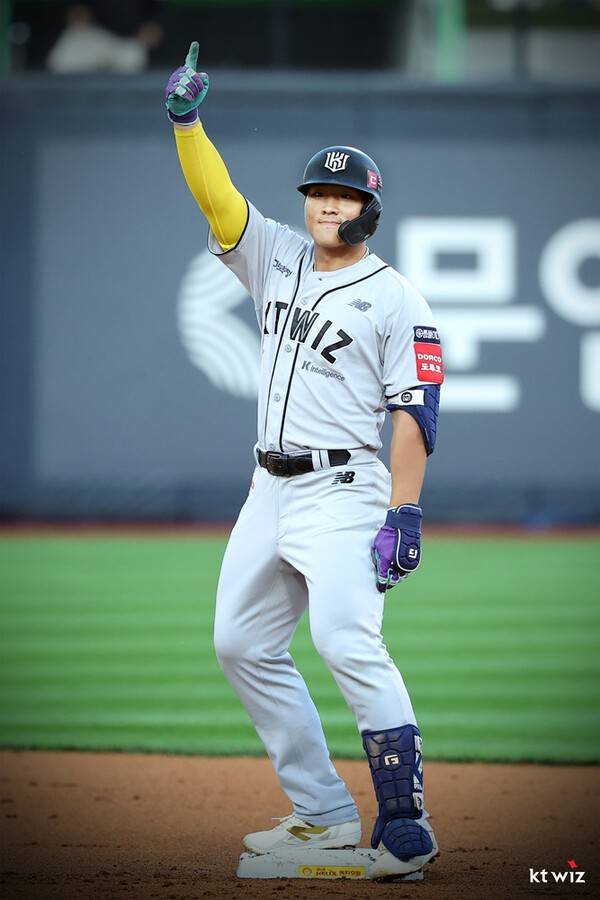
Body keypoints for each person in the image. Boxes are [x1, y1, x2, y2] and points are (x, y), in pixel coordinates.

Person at [166, 42, 444, 880]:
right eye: (319, 192)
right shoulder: (276, 254)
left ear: (368, 209)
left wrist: (403, 511)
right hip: (269, 486)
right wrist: (187, 126)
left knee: (345, 639)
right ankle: (322, 813)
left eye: (344, 194)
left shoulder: (396, 297)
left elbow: (415, 413)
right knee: (239, 643)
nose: (328, 203)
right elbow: (220, 200)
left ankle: (406, 824)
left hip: (345, 488)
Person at [47, 4, 162, 74]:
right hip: (90, 38)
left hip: (127, 45)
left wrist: (151, 29)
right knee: (61, 61)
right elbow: (73, 12)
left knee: (133, 57)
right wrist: (76, 12)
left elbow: (155, 22)